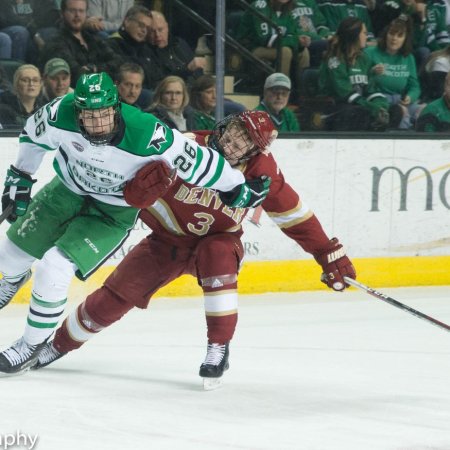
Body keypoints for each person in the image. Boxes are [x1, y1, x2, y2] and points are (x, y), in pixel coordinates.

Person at [30, 110, 356, 390]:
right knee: (115, 296)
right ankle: (58, 344)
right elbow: (125, 182)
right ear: (225, 125)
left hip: (219, 240)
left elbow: (294, 216)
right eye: (234, 131)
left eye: (244, 140)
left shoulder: (262, 174)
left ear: (254, 151)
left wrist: (328, 254)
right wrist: (135, 191)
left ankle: (218, 347)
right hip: (166, 242)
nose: (233, 141)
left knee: (218, 253)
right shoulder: (184, 147)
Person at [0, 72, 272, 375]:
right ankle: (13, 277)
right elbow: (33, 135)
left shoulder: (148, 133)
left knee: (54, 268)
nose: (98, 124)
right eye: (89, 116)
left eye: (104, 114)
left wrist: (237, 186)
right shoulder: (58, 112)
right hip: (67, 189)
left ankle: (30, 345)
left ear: (116, 107)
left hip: (112, 211)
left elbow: (198, 160)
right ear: (77, 111)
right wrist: (20, 175)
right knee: (9, 255)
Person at [318, 17, 389, 131]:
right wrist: (372, 108)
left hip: (359, 106)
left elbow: (371, 89)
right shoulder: (334, 60)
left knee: (394, 111)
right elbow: (344, 94)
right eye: (364, 33)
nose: (366, 36)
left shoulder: (364, 59)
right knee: (360, 112)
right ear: (354, 35)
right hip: (335, 109)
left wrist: (381, 105)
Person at [39, 0, 123, 87]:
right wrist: (103, 72)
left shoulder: (93, 38)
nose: (77, 15)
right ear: (62, 13)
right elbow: (78, 76)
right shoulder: (56, 42)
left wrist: (95, 68)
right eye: (72, 11)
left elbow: (119, 62)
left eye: (81, 11)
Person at [365, 16, 424, 129]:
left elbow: (414, 86)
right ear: (386, 35)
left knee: (425, 111)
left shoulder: (408, 58)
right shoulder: (370, 53)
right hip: (379, 100)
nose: (394, 38)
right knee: (402, 113)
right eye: (391, 34)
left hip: (401, 100)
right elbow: (360, 80)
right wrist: (372, 72)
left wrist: (410, 97)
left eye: (399, 35)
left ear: (405, 39)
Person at [235, 0, 309, 85]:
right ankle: (280, 88)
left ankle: (300, 90)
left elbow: (291, 34)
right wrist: (296, 41)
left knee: (303, 52)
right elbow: (266, 39)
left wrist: (300, 42)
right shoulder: (260, 5)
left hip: (275, 46)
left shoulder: (286, 10)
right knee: (285, 52)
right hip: (251, 49)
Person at [107, 5, 163, 92]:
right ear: (127, 21)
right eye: (141, 25)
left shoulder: (146, 49)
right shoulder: (111, 45)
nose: (144, 30)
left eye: (147, 28)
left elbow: (158, 76)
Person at [147, 11, 206, 85]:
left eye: (160, 29)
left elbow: (198, 71)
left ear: (167, 27)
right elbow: (160, 82)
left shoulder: (179, 43)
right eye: (152, 31)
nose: (157, 35)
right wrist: (187, 69)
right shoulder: (148, 54)